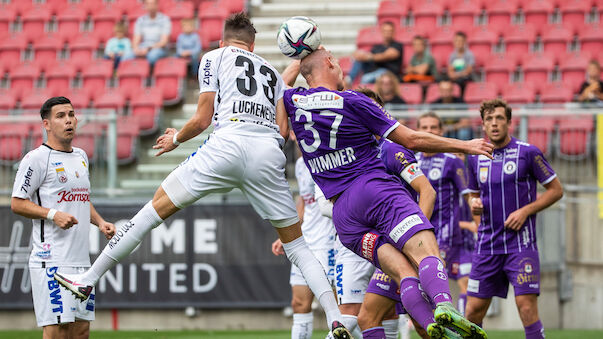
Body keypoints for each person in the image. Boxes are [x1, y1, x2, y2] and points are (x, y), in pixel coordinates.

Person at [55, 14, 352, 338]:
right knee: (298, 247)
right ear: (253, 46)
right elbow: (283, 132)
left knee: (151, 213)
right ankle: (336, 319)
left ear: (224, 41)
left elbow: (201, 118)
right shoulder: (272, 75)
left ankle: (87, 280)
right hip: (267, 152)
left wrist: (176, 139)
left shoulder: (215, 56)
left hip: (226, 145)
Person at [284, 48, 492, 339]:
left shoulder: (292, 102)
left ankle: (430, 325)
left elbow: (280, 91)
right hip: (374, 192)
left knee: (401, 277)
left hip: (343, 217)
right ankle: (444, 305)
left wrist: (298, 56)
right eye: (336, 60)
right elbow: (412, 138)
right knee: (426, 253)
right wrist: (465, 146)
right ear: (330, 63)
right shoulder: (355, 102)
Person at [11, 96, 116, 339]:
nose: (68, 120)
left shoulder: (80, 156)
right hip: (53, 261)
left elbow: (80, 197)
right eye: (60, 116)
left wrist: (100, 222)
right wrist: (52, 214)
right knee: (57, 332)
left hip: (81, 261)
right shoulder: (36, 159)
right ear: (46, 124)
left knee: (80, 331)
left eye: (71, 114)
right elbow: (17, 203)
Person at [464, 99, 564, 339]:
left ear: (509, 122)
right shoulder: (475, 157)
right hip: (487, 246)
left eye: (499, 118)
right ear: (483, 125)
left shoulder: (528, 152)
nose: (494, 123)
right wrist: (474, 205)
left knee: (526, 308)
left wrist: (525, 211)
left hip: (521, 245)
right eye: (489, 119)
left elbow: (556, 190)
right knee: (472, 312)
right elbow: (473, 197)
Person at [270, 157, 336, 339]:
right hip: (305, 242)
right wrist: (287, 235)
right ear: (292, 134)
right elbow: (304, 202)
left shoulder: (328, 156)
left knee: (341, 308)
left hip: (329, 241)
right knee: (299, 303)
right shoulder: (300, 163)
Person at [416, 112, 473, 316]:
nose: (429, 132)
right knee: (416, 284)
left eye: (433, 128)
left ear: (440, 131)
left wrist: (478, 222)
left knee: (438, 283)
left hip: (445, 234)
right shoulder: (410, 159)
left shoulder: (452, 161)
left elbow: (469, 196)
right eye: (425, 128)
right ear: (418, 131)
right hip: (415, 232)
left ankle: (455, 326)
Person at [133, 0, 171, 66]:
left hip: (158, 48)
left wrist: (148, 49)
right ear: (145, 6)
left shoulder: (165, 19)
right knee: (127, 56)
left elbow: (164, 42)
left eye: (153, 4)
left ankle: (149, 75)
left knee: (152, 56)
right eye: (148, 4)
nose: (151, 6)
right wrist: (136, 49)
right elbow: (136, 38)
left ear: (157, 5)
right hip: (143, 47)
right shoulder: (140, 20)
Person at [446, 32, 475, 97]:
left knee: (460, 81)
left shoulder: (469, 55)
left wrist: (456, 74)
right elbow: (450, 71)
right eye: (456, 40)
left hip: (465, 79)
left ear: (464, 42)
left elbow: (468, 71)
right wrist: (457, 74)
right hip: (456, 78)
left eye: (460, 41)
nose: (458, 43)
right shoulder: (452, 56)